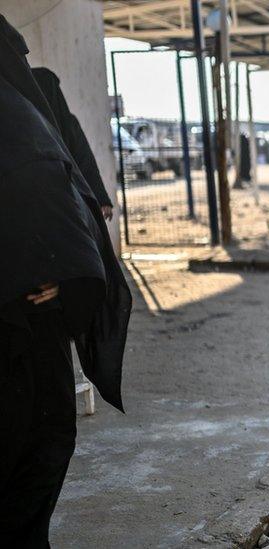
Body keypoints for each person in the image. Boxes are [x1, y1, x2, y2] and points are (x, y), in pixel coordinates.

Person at [0, 15, 132, 546]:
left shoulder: (29, 103)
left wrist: (57, 269)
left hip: (34, 320)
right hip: (19, 329)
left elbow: (62, 189)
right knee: (32, 449)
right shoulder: (20, 111)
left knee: (42, 446)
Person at [30, 66, 114, 220]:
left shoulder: (68, 124)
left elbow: (85, 160)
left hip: (70, 200)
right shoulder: (28, 125)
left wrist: (102, 200)